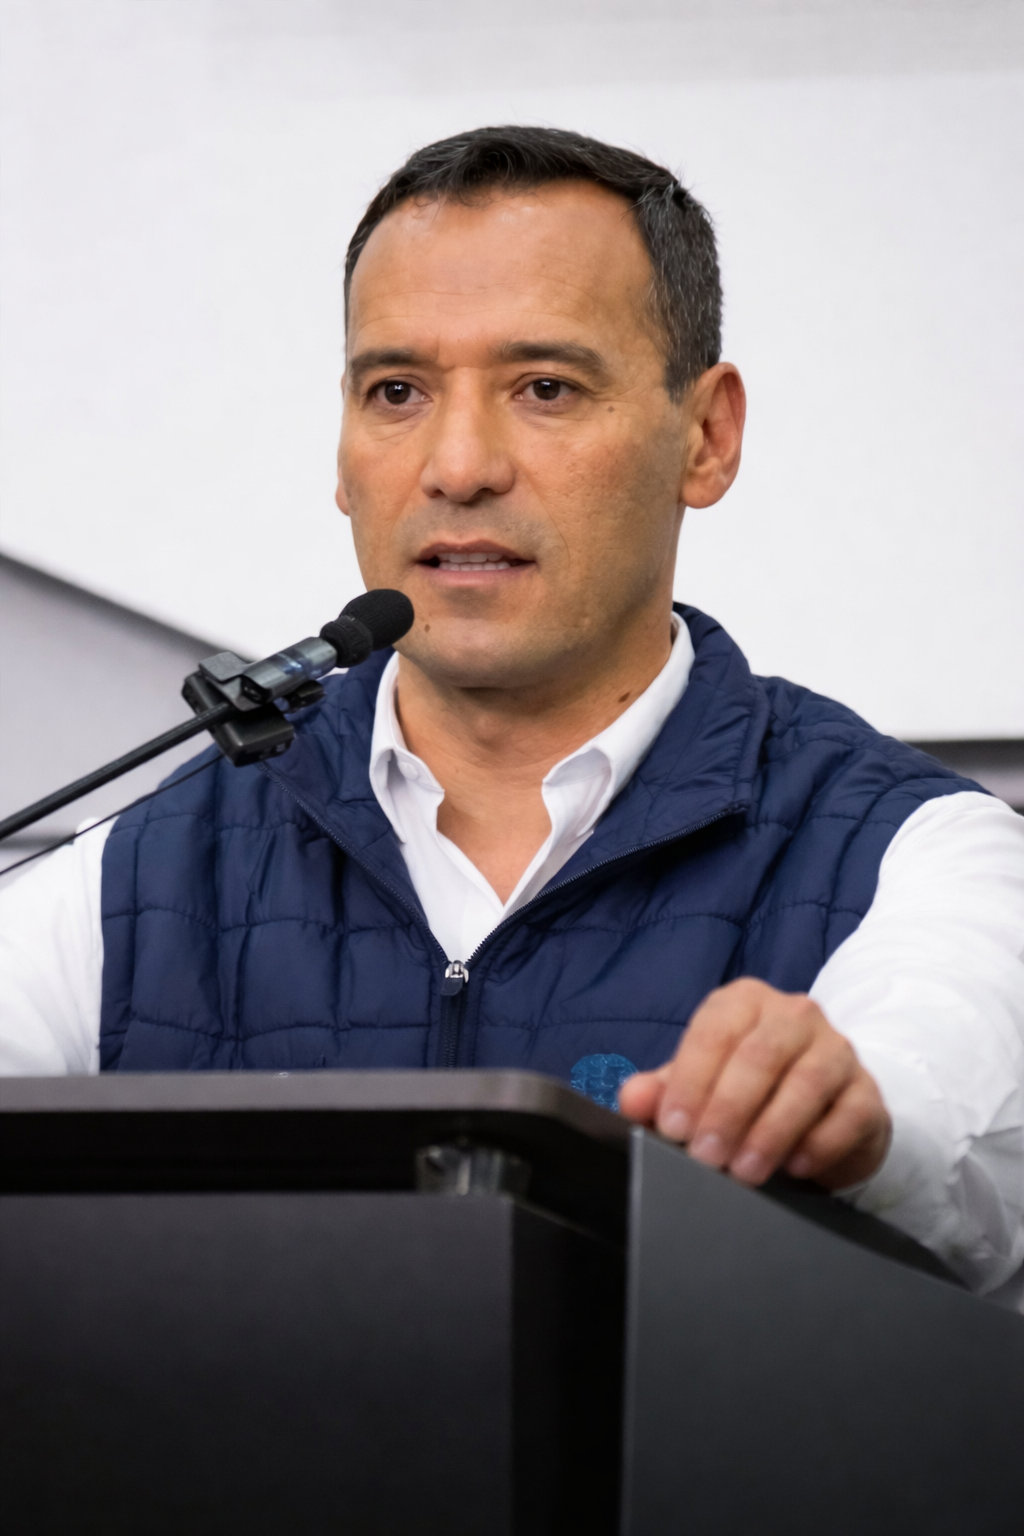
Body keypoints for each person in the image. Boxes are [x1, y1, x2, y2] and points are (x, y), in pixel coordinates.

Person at [1, 127, 1022, 1297]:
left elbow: (949, 1131)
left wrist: (851, 1122)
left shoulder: (920, 854)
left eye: (545, 388)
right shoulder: (138, 869)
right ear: (342, 447)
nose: (458, 465)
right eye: (397, 392)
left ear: (706, 435)